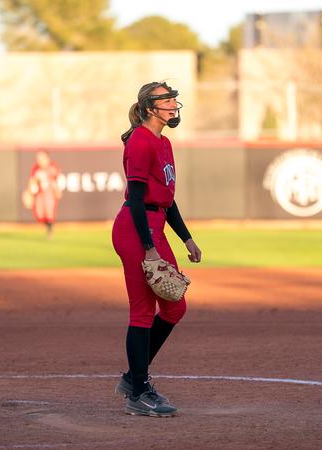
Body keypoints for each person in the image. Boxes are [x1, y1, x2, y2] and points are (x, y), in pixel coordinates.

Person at [111, 81, 202, 417]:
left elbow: (166, 198)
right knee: (143, 312)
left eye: (174, 99)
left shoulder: (163, 143)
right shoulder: (140, 141)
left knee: (175, 307)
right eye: (168, 100)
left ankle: (132, 378)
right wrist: (149, 248)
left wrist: (187, 237)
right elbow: (135, 198)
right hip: (136, 231)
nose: (175, 104)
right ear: (150, 107)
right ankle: (138, 391)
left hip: (156, 226)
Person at [26, 151, 62, 239]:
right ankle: (48, 226)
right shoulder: (36, 168)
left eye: (42, 158)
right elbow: (32, 180)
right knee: (39, 215)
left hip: (49, 193)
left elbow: (56, 181)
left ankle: (50, 230)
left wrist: (57, 191)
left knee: (49, 212)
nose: (40, 160)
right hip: (40, 193)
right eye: (38, 158)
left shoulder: (52, 167)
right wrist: (29, 192)